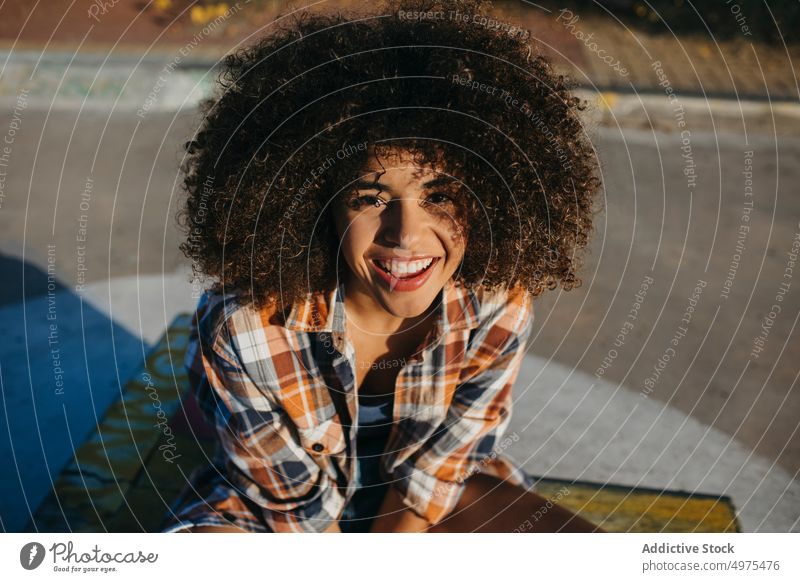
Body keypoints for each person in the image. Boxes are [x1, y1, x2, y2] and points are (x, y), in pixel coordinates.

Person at [161, 0, 602, 533]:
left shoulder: (497, 301)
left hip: (424, 495)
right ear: (315, 207)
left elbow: (435, 476)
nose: (406, 234)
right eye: (370, 197)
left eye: (440, 194)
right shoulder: (247, 324)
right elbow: (296, 513)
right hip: (282, 509)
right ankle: (202, 406)